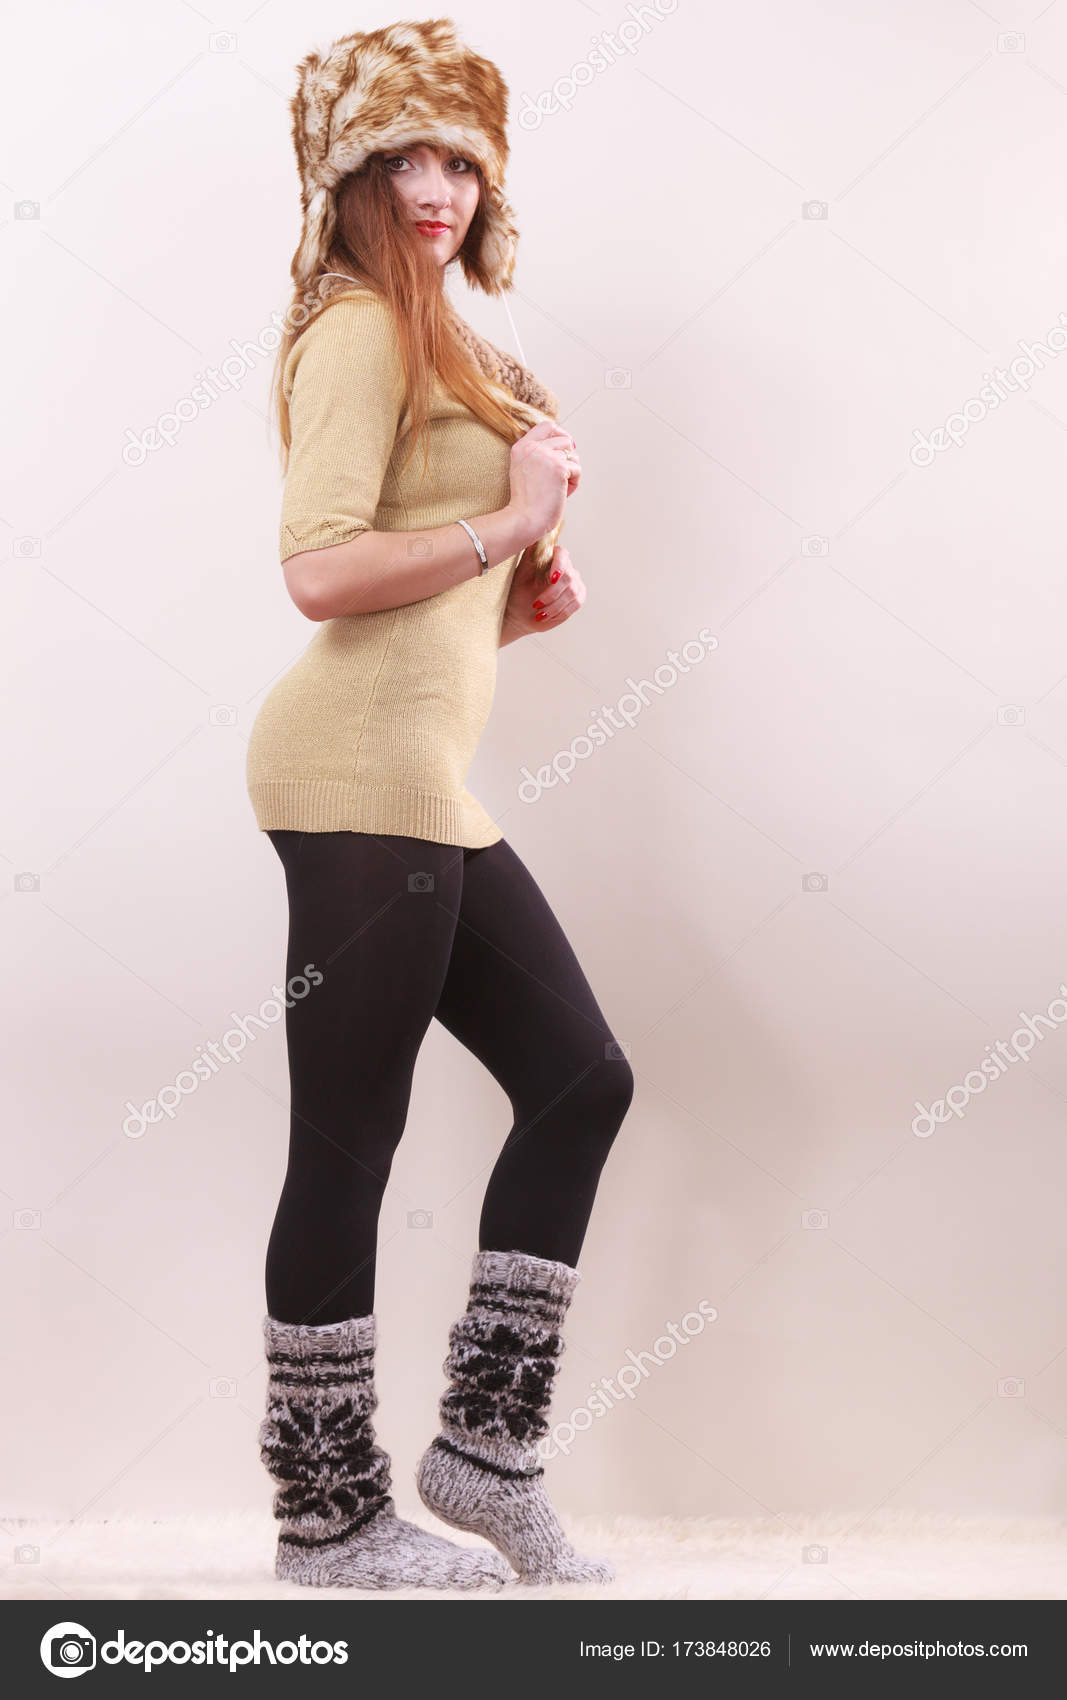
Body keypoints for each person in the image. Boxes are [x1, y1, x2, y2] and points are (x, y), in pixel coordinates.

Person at [247, 19, 635, 1591]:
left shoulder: (448, 339)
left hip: (423, 779)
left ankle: (486, 1450)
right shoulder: (355, 329)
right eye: (404, 155)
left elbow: (416, 612)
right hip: (351, 775)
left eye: (462, 159)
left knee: (581, 1080)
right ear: (348, 177)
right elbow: (319, 570)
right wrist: (502, 522)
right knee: (349, 1141)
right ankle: (328, 1520)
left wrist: (513, 604)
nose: (436, 187)